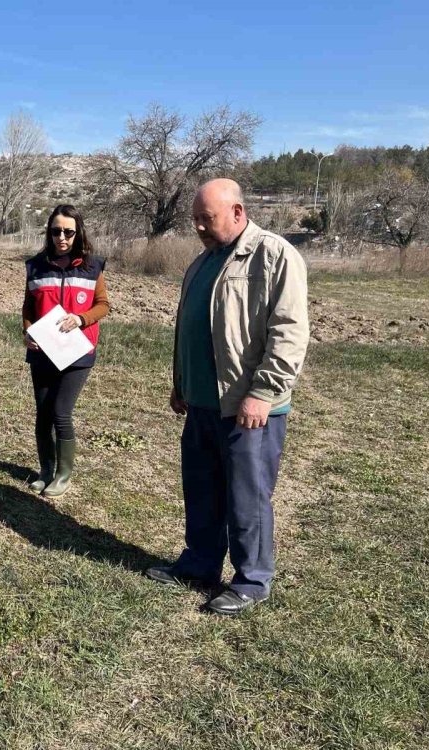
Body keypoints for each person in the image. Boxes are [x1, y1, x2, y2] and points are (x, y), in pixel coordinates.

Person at [146, 178, 309, 616]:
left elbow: (289, 332)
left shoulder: (274, 255)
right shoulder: (202, 263)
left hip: (247, 407)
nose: (199, 226)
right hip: (201, 402)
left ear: (237, 212)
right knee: (201, 488)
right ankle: (199, 563)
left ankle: (252, 579)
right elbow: (192, 327)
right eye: (195, 219)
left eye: (207, 218)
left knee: (246, 494)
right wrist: (181, 382)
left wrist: (263, 392)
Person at [22, 204, 110, 498]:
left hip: (78, 353)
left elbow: (103, 305)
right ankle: (45, 470)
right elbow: (28, 307)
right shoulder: (35, 266)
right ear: (49, 233)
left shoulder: (92, 266)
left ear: (78, 233)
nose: (62, 237)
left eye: (68, 232)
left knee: (61, 411)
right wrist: (27, 332)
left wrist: (81, 319)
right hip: (43, 352)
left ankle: (63, 475)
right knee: (43, 413)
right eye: (56, 231)